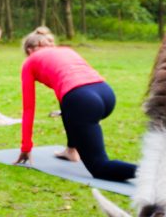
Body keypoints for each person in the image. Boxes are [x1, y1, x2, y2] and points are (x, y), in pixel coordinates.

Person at [14, 27, 136, 182]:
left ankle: (152, 173)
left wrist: (26, 148)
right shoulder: (66, 50)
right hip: (105, 93)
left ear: (30, 50)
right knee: (67, 107)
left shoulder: (29, 62)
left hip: (83, 101)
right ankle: (71, 150)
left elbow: (28, 109)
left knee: (100, 167)